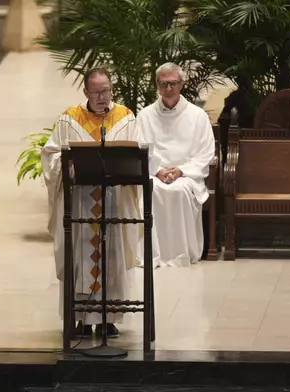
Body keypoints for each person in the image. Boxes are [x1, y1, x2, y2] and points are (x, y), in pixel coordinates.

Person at [42, 68, 142, 338]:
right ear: (85, 92)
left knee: (113, 257)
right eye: (96, 92)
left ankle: (109, 317)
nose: (102, 97)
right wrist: (68, 166)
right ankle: (83, 320)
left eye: (106, 90)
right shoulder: (69, 119)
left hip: (114, 201)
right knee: (80, 257)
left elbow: (138, 153)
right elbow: (51, 155)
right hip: (81, 203)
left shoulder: (125, 116)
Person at [136, 62, 215, 267]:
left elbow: (205, 153)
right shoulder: (145, 116)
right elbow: (140, 149)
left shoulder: (197, 116)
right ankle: (153, 254)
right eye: (164, 84)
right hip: (156, 173)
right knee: (151, 190)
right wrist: (159, 170)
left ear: (182, 84)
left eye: (173, 83)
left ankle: (181, 254)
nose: (168, 89)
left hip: (187, 175)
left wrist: (181, 171)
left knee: (179, 191)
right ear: (157, 85)